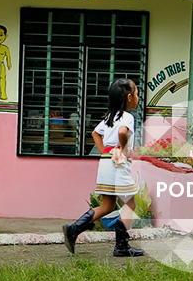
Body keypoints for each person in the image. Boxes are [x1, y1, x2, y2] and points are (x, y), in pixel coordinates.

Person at [62, 79, 146, 257]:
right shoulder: (127, 117)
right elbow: (123, 133)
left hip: (106, 162)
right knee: (129, 204)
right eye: (137, 94)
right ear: (129, 97)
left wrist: (105, 152)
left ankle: (74, 228)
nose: (138, 97)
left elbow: (95, 133)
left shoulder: (109, 117)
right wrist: (123, 149)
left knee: (107, 205)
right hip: (118, 165)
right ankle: (122, 246)